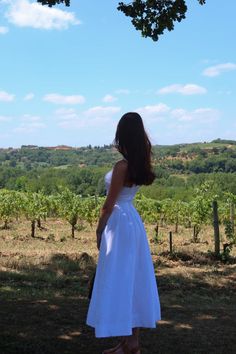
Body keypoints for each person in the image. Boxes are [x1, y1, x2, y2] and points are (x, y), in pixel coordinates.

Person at [86, 112, 161, 354]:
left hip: (118, 223)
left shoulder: (122, 166)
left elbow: (109, 204)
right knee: (133, 279)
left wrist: (99, 231)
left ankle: (129, 343)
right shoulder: (139, 164)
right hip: (132, 222)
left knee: (119, 278)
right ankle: (129, 342)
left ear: (122, 135)